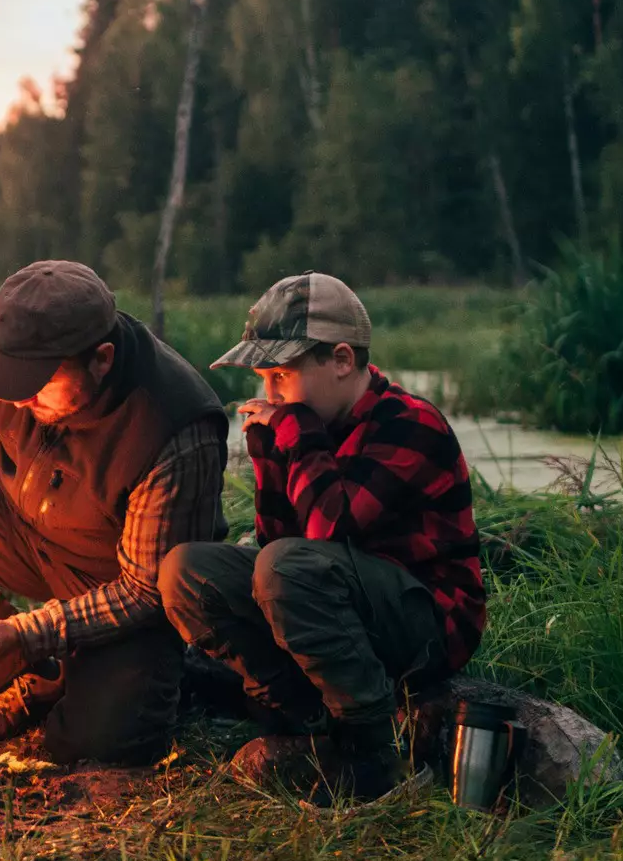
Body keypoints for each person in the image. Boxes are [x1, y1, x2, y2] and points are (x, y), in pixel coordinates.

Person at [0, 260, 229, 763]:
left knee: (98, 742)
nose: (19, 396)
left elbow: (143, 593)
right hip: (28, 533)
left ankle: (183, 673)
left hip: (121, 585)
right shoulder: (8, 357)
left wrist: (29, 632)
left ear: (101, 359)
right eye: (13, 378)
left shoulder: (172, 427)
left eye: (39, 383)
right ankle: (32, 677)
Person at [157, 271, 483, 801]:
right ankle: (298, 716)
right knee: (187, 571)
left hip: (428, 622)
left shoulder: (409, 423)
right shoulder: (309, 422)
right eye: (264, 378)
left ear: (341, 361)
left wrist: (293, 430)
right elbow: (277, 542)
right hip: (344, 602)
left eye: (282, 375)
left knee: (289, 567)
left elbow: (327, 533)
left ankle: (373, 749)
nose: (270, 394)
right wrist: (268, 452)